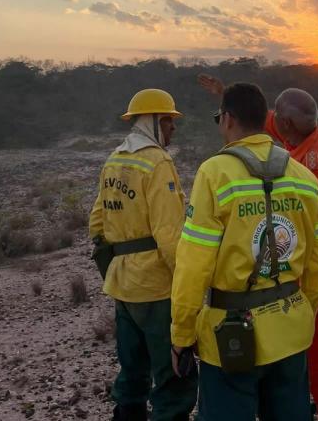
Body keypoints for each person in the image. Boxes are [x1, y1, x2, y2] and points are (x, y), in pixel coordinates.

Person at [170, 83, 318, 420]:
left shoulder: (214, 174)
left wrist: (182, 335)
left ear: (228, 119)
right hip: (291, 332)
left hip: (229, 340)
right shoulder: (304, 177)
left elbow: (193, 265)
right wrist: (301, 315)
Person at [89, 88, 197, 421]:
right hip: (156, 288)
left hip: (122, 285)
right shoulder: (157, 162)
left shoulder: (115, 158)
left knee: (132, 373)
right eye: (169, 121)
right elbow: (169, 234)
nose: (173, 128)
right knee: (172, 376)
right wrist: (187, 283)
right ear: (153, 121)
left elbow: (96, 223)